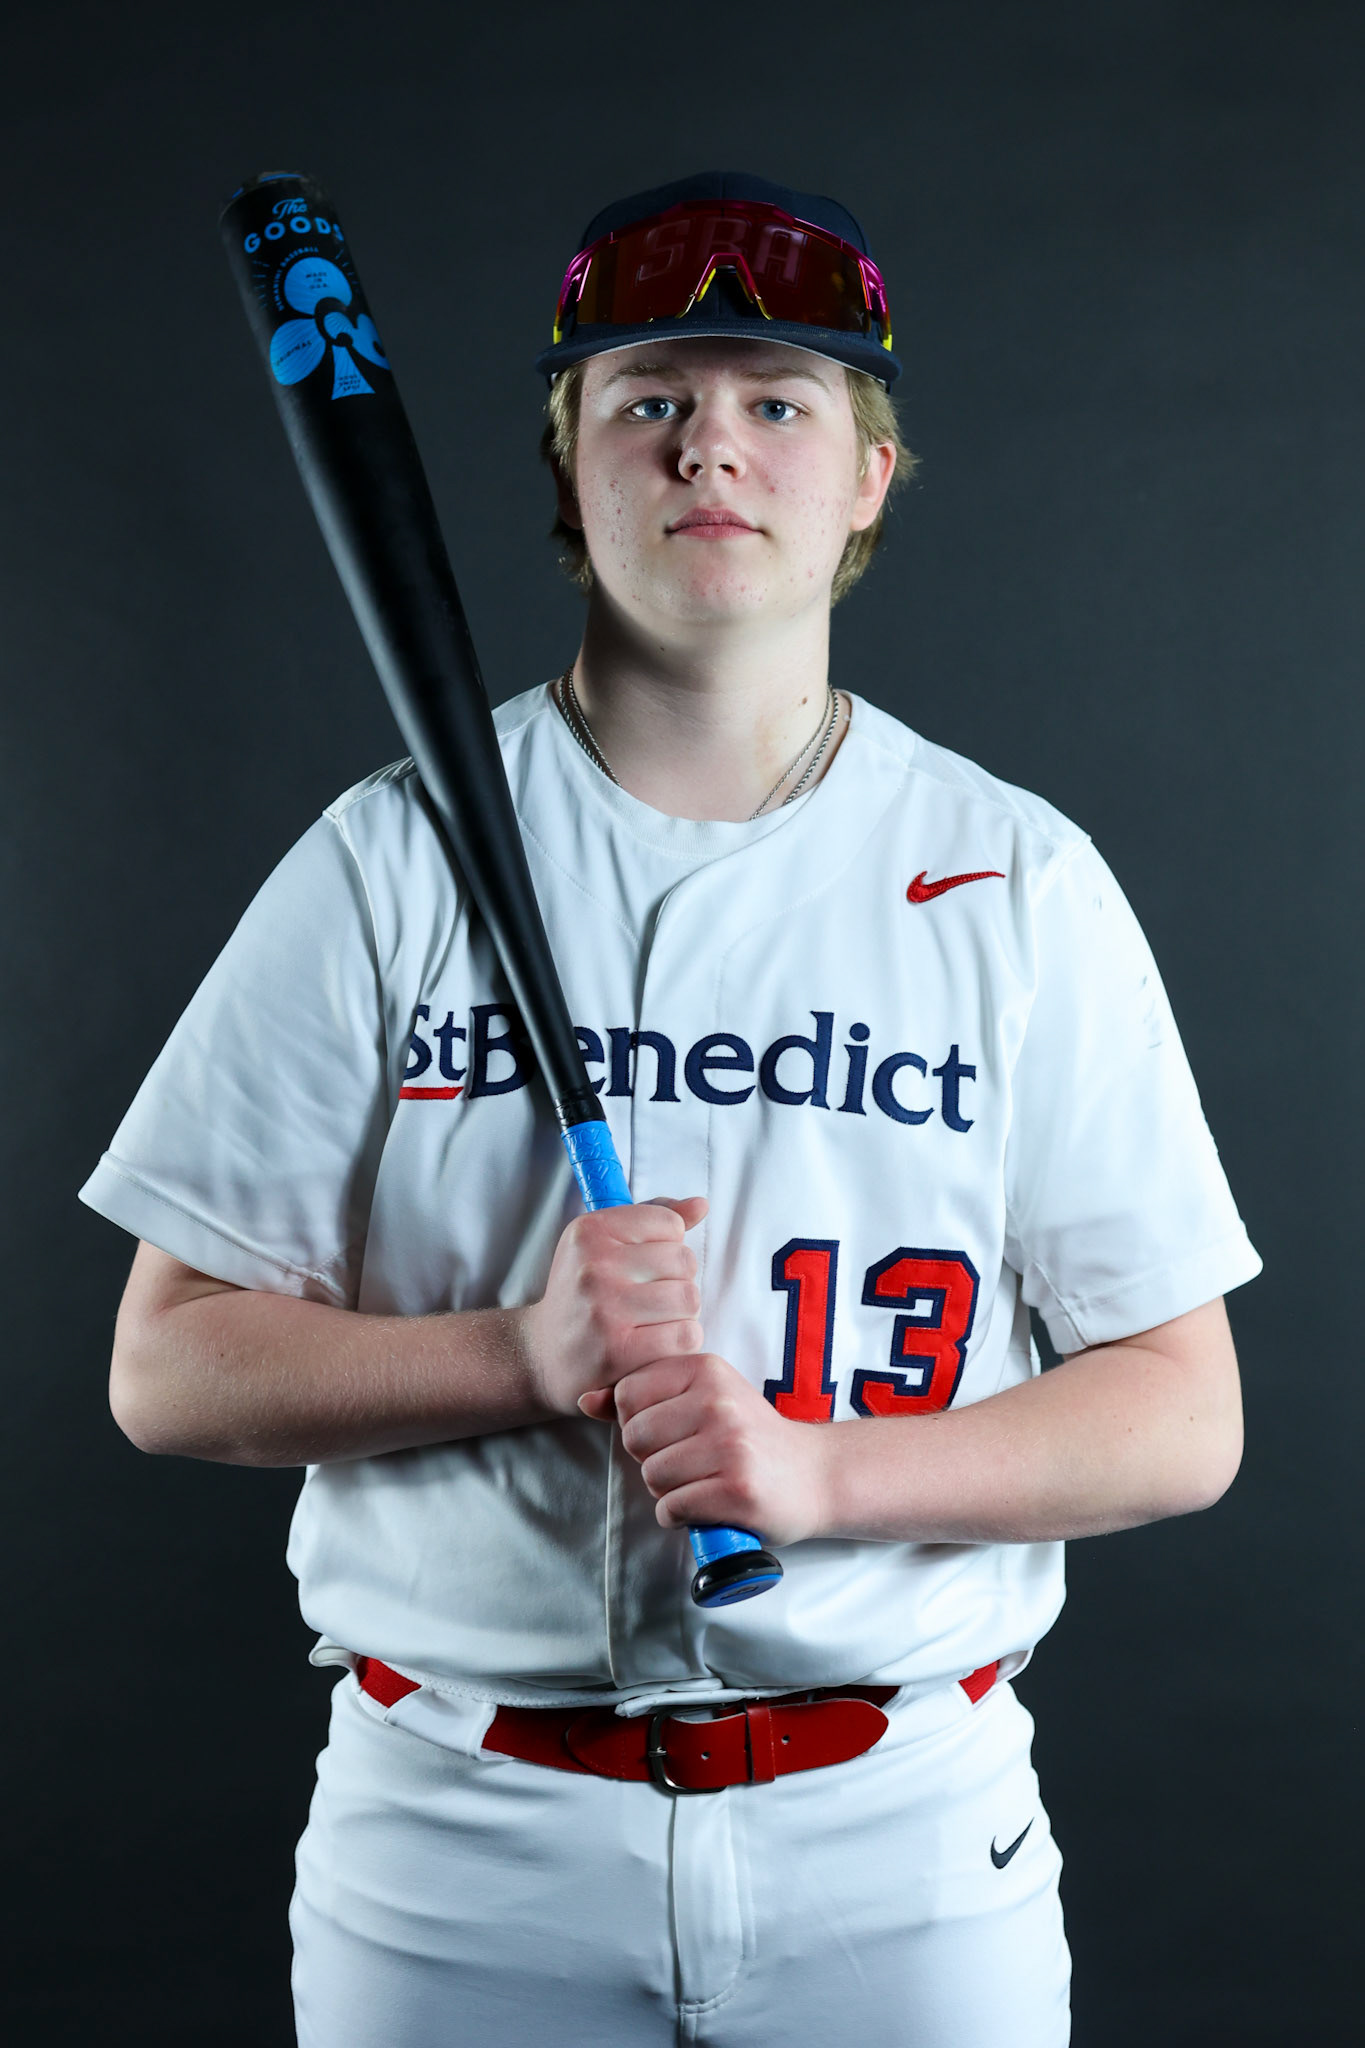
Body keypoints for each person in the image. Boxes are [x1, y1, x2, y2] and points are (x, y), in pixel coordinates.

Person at [82, 171, 1261, 2046]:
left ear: (866, 476)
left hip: (900, 1838)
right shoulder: (390, 857)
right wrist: (513, 1352)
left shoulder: (1012, 875)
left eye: (779, 403)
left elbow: (1182, 1412)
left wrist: (820, 1480)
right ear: (572, 475)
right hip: (458, 1842)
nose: (713, 443)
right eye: (650, 403)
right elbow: (166, 1371)